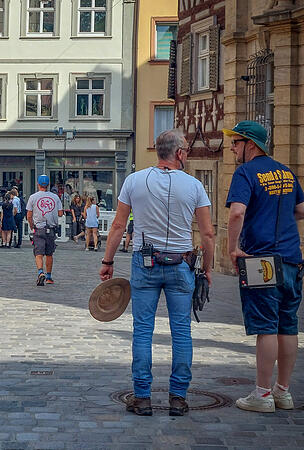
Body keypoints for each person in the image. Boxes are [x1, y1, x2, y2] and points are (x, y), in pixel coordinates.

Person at [99, 129, 214, 417]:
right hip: (181, 264)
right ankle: (178, 398)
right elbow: (208, 234)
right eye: (186, 150)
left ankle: (142, 397)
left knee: (142, 331)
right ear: (179, 153)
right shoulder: (194, 185)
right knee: (182, 332)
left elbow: (118, 225)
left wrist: (107, 260)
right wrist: (207, 268)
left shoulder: (134, 181)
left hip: (145, 262)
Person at [224, 121, 304, 413]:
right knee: (288, 325)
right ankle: (283, 391)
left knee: (266, 326)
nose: (232, 148)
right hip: (292, 258)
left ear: (250, 144)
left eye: (236, 142)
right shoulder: (286, 172)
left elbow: (237, 213)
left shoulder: (245, 173)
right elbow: (301, 209)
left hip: (261, 260)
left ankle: (262, 394)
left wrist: (233, 248)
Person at [26, 174, 62, 286]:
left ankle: (40, 272)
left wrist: (31, 225)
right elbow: (60, 213)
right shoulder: (55, 197)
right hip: (51, 229)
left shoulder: (33, 197)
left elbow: (29, 215)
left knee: (38, 253)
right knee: (49, 254)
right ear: (48, 185)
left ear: (38, 184)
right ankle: (49, 277)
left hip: (39, 228)